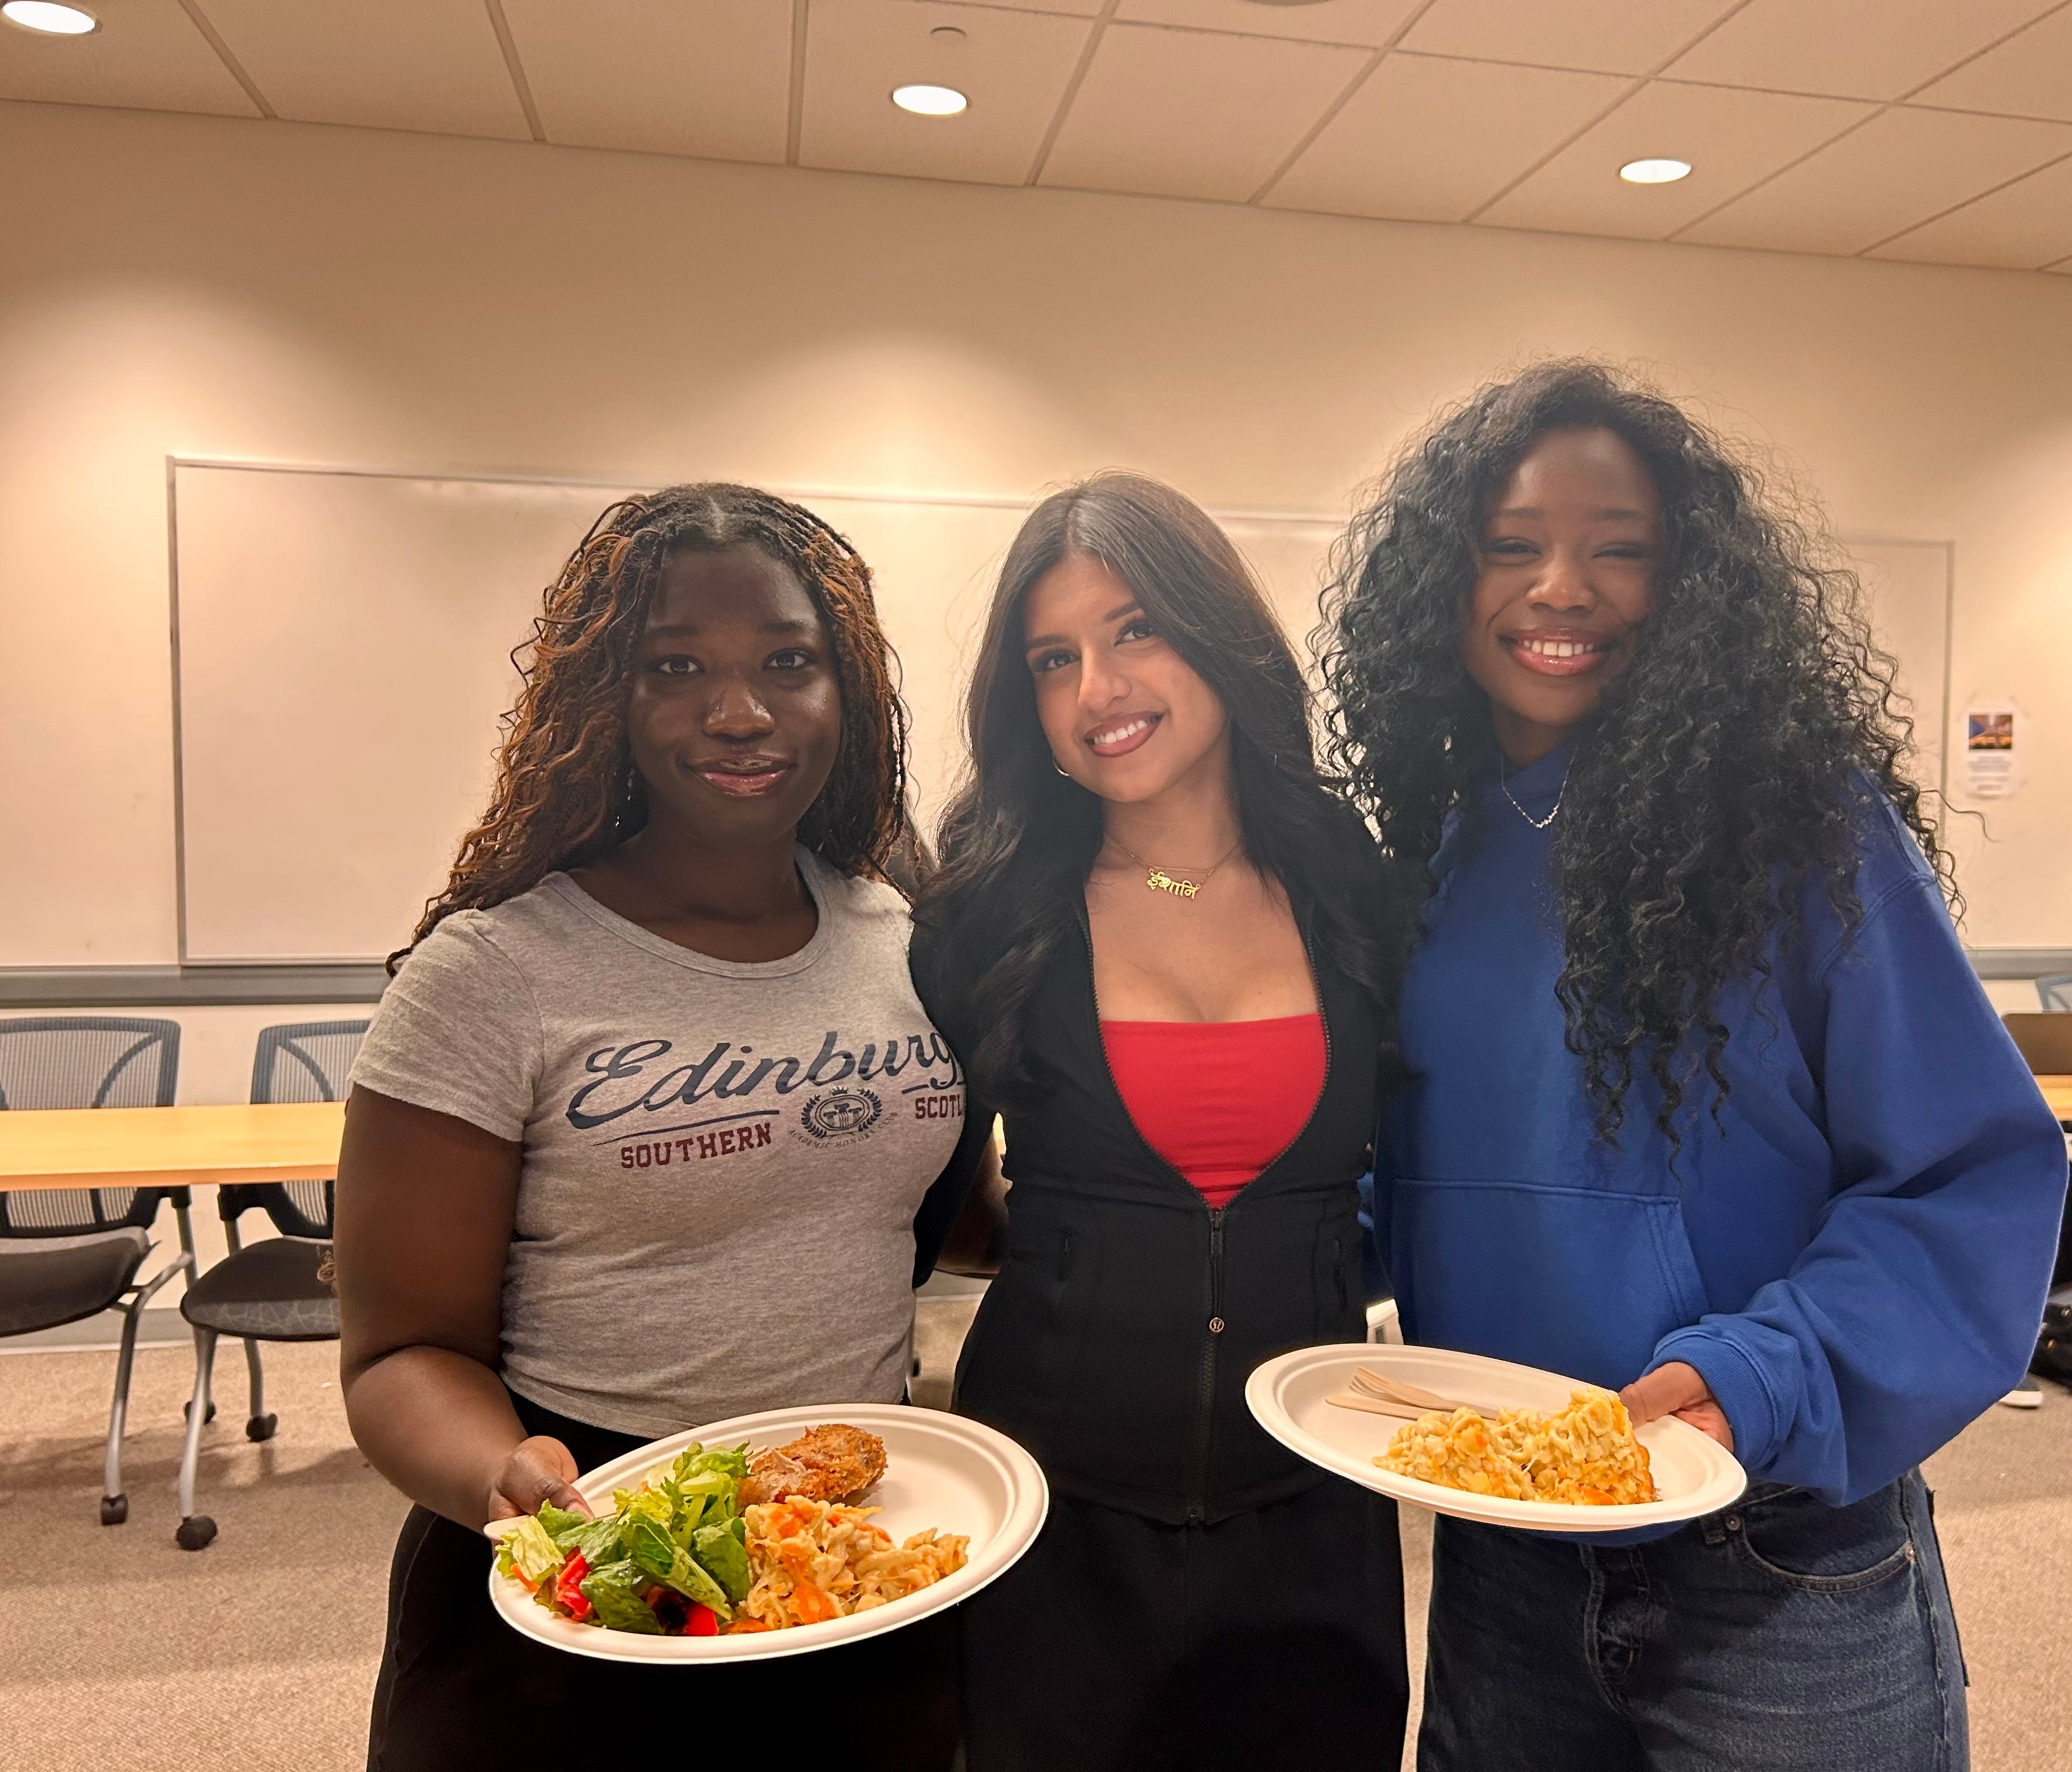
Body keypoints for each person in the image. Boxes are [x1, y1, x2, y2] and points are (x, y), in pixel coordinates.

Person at [1320, 360, 2063, 1771]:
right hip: (1509, 1548)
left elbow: (1975, 1177)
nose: (1562, 588)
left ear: (1690, 590)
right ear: (1441, 581)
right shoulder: (1425, 860)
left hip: (1775, 1549)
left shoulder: (1807, 839)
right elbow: (1407, 1179)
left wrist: (1759, 1375)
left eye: (1623, 552)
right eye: (1513, 547)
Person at [336, 483, 989, 1770]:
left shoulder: (905, 936)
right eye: (675, 666)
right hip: (590, 1549)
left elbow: (940, 1214)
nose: (739, 711)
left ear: (843, 692)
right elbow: (397, 1353)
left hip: (857, 1531)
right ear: (606, 702)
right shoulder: (492, 974)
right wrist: (505, 1485)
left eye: (787, 664)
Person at [911, 472, 1407, 1772]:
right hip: (1055, 1508)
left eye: (1135, 630)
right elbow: (930, 1199)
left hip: (1316, 1504)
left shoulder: (1354, 890)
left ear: (1218, 635)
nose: (1097, 690)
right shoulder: (991, 915)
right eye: (1053, 659)